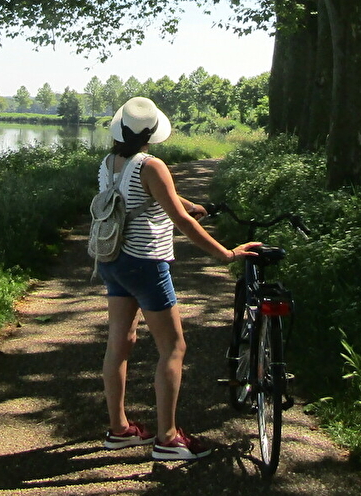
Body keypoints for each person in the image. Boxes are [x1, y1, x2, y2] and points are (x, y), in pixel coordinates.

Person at [96, 96, 260, 462]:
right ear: (152, 132)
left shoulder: (109, 164)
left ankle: (119, 429)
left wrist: (188, 203)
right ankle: (168, 438)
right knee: (173, 347)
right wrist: (226, 253)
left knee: (119, 344)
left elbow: (152, 196)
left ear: (120, 129)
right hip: (146, 264)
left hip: (113, 260)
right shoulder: (152, 165)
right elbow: (180, 222)